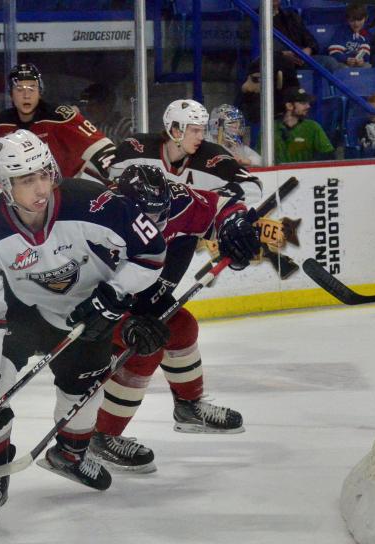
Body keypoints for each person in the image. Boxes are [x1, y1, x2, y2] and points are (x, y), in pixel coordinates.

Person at [0, 129, 168, 524]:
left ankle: (68, 456)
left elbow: (152, 253)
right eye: (25, 181)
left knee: (84, 390)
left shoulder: (95, 202)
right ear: (4, 185)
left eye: (43, 175)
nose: (40, 189)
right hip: (20, 314)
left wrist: (115, 295)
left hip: (86, 312)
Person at [90, 101, 262, 469]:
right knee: (145, 346)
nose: (201, 137)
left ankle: (188, 407)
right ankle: (100, 436)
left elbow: (223, 205)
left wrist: (235, 228)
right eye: (194, 129)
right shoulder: (103, 220)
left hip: (148, 280)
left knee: (180, 325)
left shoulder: (178, 198)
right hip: (96, 298)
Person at [110, 98, 262, 205]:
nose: (201, 137)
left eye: (203, 130)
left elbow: (254, 186)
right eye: (195, 131)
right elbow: (107, 181)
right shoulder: (137, 148)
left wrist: (214, 198)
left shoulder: (214, 156)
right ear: (176, 131)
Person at [0, 63, 117, 181]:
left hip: (67, 189)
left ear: (40, 92)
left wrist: (116, 172)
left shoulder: (60, 117)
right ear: (11, 94)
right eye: (19, 89)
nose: (26, 95)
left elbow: (100, 146)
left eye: (32, 88)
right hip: (25, 195)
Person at [274, 87, 336, 163]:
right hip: (278, 174)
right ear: (289, 106)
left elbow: (328, 154)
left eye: (308, 103)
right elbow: (260, 157)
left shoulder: (312, 127)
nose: (308, 106)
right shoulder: (271, 128)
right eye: (303, 103)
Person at [328, 3, 371, 69]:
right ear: (347, 19)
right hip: (343, 63)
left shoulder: (366, 34)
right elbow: (334, 52)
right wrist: (346, 59)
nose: (356, 24)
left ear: (365, 18)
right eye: (352, 20)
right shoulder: (341, 32)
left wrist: (362, 60)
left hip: (359, 64)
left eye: (359, 19)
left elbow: (366, 53)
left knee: (367, 66)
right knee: (343, 68)